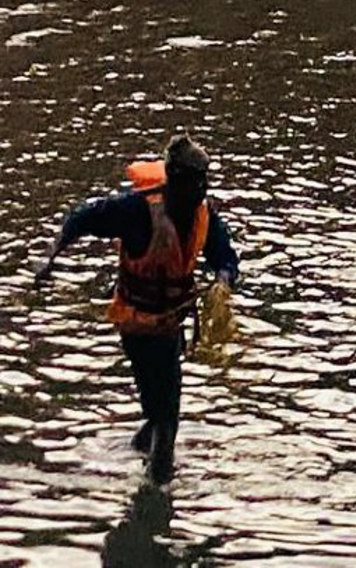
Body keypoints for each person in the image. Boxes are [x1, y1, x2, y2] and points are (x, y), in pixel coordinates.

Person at [35, 134, 238, 485]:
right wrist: (51, 257)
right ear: (174, 180)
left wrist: (222, 281)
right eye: (195, 181)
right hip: (136, 327)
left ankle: (146, 460)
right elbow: (81, 217)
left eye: (205, 180)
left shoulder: (204, 216)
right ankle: (157, 496)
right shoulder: (136, 212)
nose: (202, 189)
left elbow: (225, 257)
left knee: (161, 413)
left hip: (169, 326)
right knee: (164, 414)